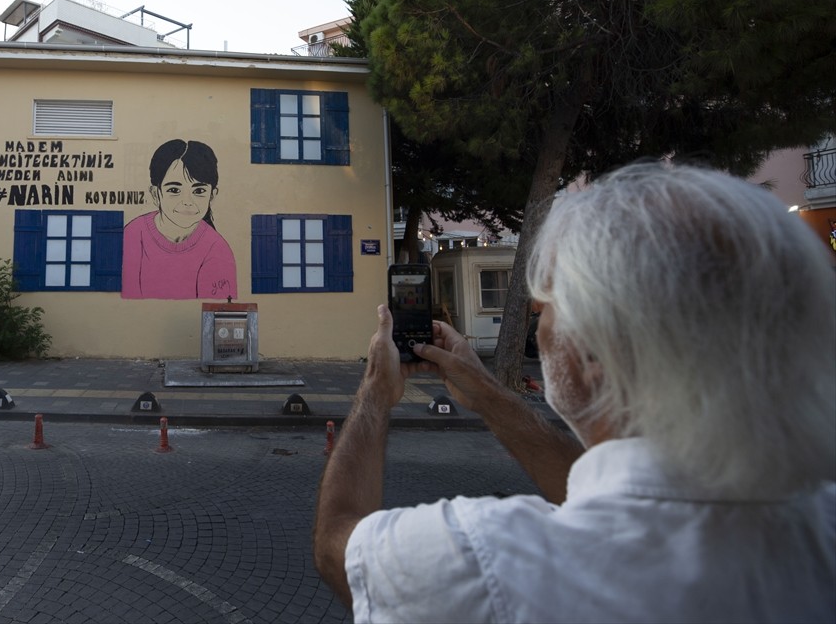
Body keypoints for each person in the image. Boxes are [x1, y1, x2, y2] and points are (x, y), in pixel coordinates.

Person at [314, 161, 836, 623]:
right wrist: (490, 396)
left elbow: (338, 544)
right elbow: (634, 498)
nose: (539, 327)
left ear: (592, 354)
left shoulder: (492, 561)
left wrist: (375, 395)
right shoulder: (819, 524)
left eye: (544, 309)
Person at [122, 139, 238, 299]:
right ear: (156, 194)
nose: (187, 201)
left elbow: (215, 312)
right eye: (174, 190)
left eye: (199, 191)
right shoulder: (133, 235)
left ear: (212, 195)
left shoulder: (218, 249)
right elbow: (128, 301)